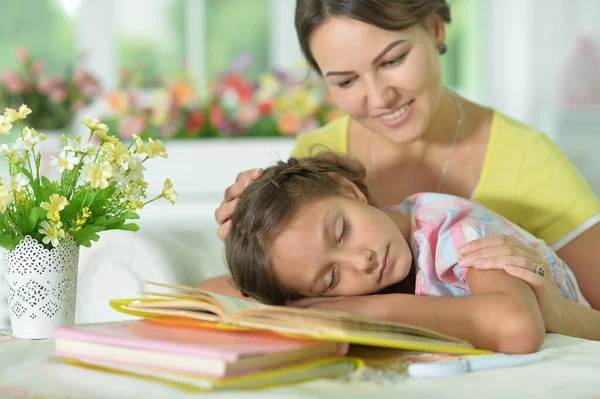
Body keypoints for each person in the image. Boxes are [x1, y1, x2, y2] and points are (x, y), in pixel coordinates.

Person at [212, 0, 600, 310]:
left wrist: (550, 308)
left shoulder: (529, 159)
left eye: (393, 60)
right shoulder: (316, 158)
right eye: (346, 81)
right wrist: (250, 242)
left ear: (435, 28)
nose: (380, 97)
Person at [222, 153, 599, 353]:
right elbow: (216, 288)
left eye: (343, 231)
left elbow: (518, 327)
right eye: (331, 278)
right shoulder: (354, 274)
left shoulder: (454, 228)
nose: (361, 261)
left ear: (349, 191)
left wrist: (365, 310)